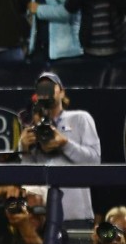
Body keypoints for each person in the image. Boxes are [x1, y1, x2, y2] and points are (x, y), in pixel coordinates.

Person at [18, 72, 102, 230]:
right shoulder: (31, 129)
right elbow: (28, 180)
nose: (46, 90)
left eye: (50, 86)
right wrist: (24, 150)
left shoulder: (80, 118)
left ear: (62, 91)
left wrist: (65, 144)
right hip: (42, 218)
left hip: (75, 216)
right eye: (41, 87)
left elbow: (95, 162)